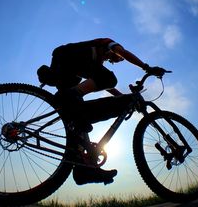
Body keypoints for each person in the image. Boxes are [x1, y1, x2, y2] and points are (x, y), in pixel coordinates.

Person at [37, 38, 158, 185]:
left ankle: (85, 169)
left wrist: (122, 97)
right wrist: (146, 67)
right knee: (109, 78)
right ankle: (72, 95)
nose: (117, 60)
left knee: (79, 117)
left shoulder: (95, 62)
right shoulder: (107, 43)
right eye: (119, 59)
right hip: (67, 56)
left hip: (65, 70)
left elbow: (104, 84)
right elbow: (122, 56)